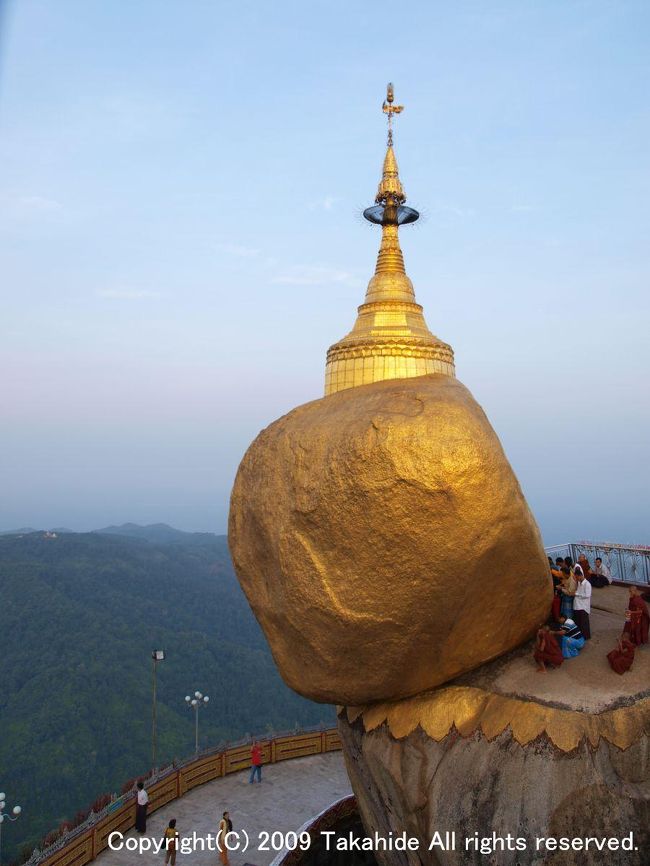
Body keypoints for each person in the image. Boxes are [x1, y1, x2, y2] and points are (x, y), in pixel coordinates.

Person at [572, 566, 592, 639]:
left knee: (584, 623)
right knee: (579, 622)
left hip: (583, 606)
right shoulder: (580, 583)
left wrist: (577, 594)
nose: (576, 579)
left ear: (580, 576)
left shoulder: (587, 584)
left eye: (577, 577)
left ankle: (586, 637)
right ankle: (580, 636)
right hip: (578, 605)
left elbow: (587, 595)